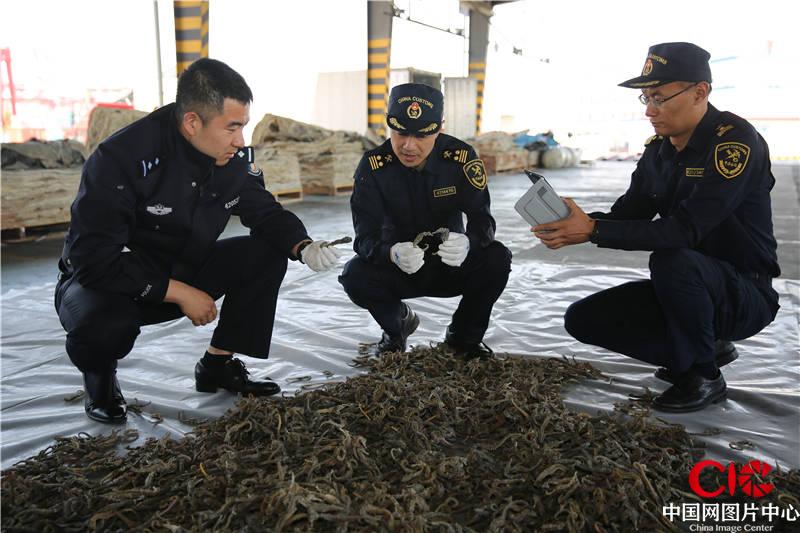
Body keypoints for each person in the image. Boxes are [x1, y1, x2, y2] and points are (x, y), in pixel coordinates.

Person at [55, 58, 342, 424]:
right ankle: (100, 381)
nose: (241, 141)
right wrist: (178, 292)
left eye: (244, 127)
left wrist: (303, 245)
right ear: (192, 122)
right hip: (107, 282)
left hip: (185, 264)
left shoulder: (231, 158)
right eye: (232, 128)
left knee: (265, 252)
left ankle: (217, 365)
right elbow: (92, 259)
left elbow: (263, 212)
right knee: (104, 324)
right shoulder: (121, 158)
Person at [532, 42, 780, 413]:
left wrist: (593, 231)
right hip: (686, 290)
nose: (649, 110)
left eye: (660, 98)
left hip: (745, 291)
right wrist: (576, 221)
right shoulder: (658, 151)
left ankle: (702, 375)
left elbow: (685, 231)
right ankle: (704, 347)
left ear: (700, 92)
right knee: (583, 319)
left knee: (672, 258)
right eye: (646, 98)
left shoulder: (734, 143)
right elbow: (631, 214)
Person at [339, 83, 512, 359]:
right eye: (400, 133)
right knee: (354, 275)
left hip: (449, 264)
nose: (409, 145)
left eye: (421, 135)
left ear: (439, 129)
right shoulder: (374, 167)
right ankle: (397, 326)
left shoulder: (460, 159)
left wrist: (469, 242)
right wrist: (391, 253)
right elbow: (364, 238)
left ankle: (463, 336)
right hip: (399, 268)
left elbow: (483, 219)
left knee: (497, 258)